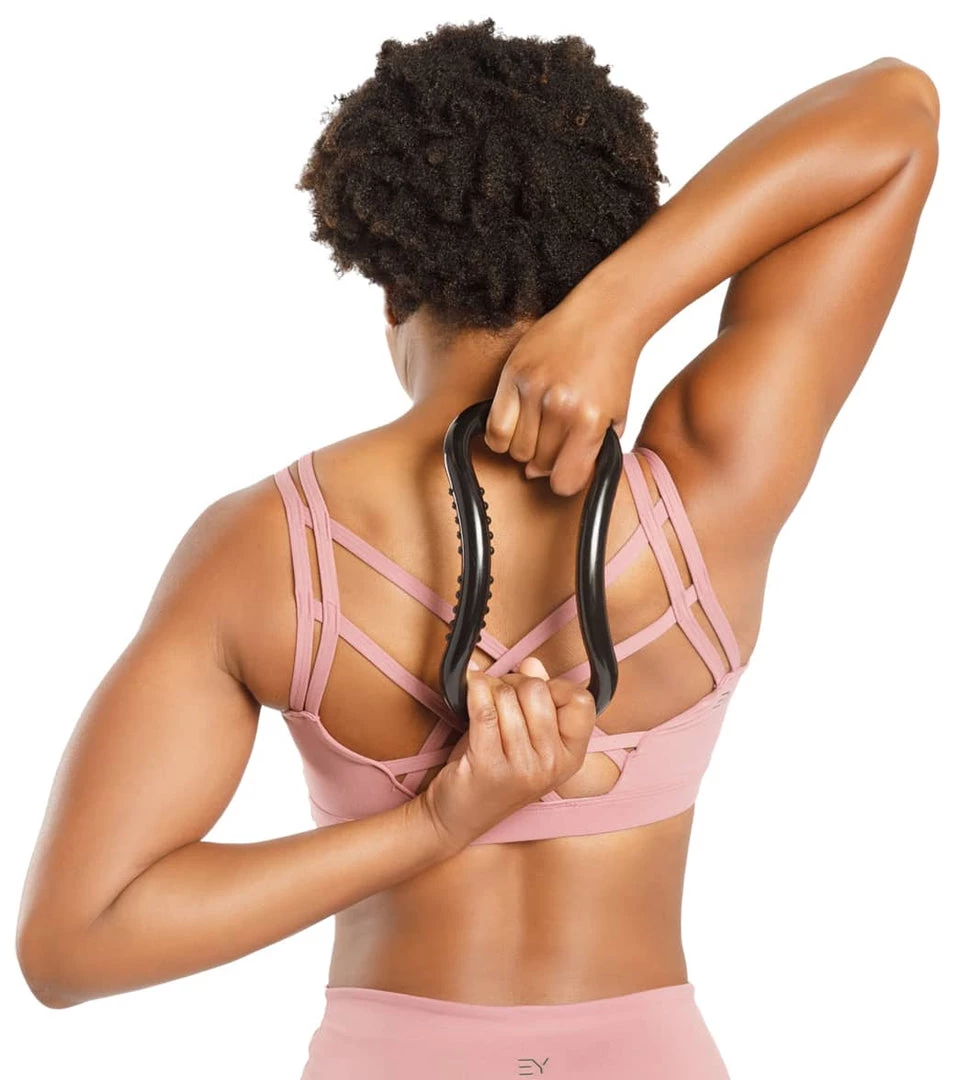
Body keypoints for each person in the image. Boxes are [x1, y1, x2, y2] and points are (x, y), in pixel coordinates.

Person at [15, 19, 939, 1080]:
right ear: (606, 245)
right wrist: (622, 307)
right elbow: (897, 109)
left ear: (389, 286)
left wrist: (426, 832)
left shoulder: (267, 549)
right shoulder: (710, 483)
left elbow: (77, 942)